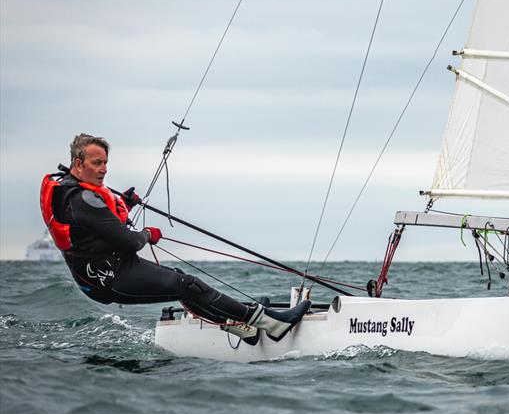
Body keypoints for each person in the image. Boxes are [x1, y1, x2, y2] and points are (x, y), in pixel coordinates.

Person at [40, 133, 309, 345]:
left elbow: (94, 227)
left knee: (182, 280)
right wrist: (148, 234)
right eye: (97, 163)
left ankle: (240, 326)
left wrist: (125, 204)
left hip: (105, 273)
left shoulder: (69, 191)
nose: (104, 170)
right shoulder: (83, 199)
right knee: (187, 285)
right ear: (78, 163)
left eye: (106, 163)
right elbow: (129, 241)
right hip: (111, 278)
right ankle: (272, 325)